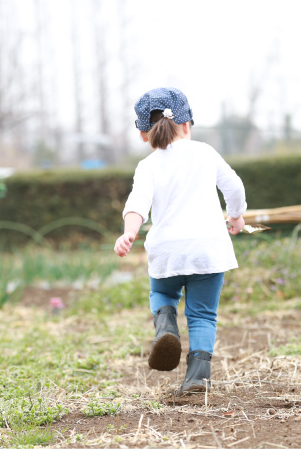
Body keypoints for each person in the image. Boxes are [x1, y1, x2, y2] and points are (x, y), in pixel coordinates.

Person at [114, 87, 247, 395]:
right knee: (202, 314)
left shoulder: (147, 165)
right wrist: (236, 216)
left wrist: (129, 233)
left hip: (168, 252)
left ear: (144, 135)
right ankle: (198, 376)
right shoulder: (205, 152)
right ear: (187, 125)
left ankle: (166, 326)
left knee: (162, 294)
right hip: (208, 250)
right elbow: (234, 187)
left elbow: (138, 203)